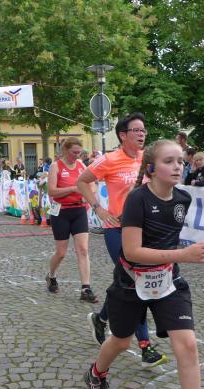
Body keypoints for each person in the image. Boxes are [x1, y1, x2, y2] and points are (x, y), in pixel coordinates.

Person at [81, 139, 204, 389]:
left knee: (187, 345)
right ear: (151, 168)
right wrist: (182, 255)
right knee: (120, 340)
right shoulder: (137, 200)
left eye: (180, 161)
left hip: (168, 281)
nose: (177, 166)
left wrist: (180, 258)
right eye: (169, 161)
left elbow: (168, 241)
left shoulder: (183, 199)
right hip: (131, 282)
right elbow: (132, 251)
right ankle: (96, 373)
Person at [77, 112, 167, 366]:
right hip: (117, 229)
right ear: (123, 135)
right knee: (136, 281)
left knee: (126, 282)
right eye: (136, 130)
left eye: (143, 130)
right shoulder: (109, 159)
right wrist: (99, 208)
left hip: (144, 230)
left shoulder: (148, 159)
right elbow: (82, 181)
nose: (142, 134)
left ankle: (101, 318)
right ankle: (145, 346)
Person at [45, 137, 98, 303]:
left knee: (83, 249)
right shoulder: (56, 166)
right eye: (74, 152)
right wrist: (73, 189)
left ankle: (86, 288)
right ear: (65, 150)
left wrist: (88, 195)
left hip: (79, 211)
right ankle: (51, 275)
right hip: (60, 212)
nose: (77, 155)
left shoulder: (81, 165)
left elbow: (93, 185)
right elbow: (52, 191)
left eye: (79, 152)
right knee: (61, 253)